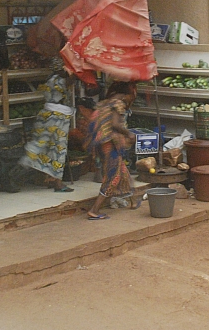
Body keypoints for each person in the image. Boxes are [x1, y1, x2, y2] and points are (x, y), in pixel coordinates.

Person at [85, 81, 141, 220]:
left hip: (102, 143)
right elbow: (115, 124)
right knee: (113, 176)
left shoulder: (106, 102)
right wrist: (128, 134)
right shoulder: (118, 103)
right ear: (128, 95)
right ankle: (94, 210)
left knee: (122, 171)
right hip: (110, 144)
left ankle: (134, 201)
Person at [18, 74, 75, 192]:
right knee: (59, 149)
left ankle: (45, 176)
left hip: (46, 115)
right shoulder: (61, 80)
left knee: (43, 144)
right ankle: (57, 183)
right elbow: (70, 80)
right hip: (58, 117)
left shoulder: (50, 79)